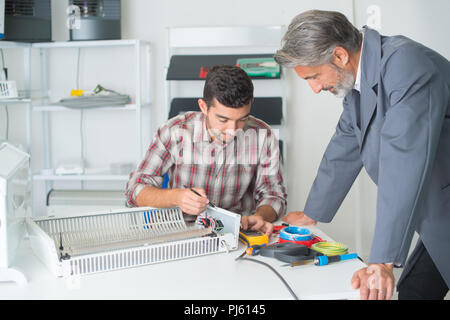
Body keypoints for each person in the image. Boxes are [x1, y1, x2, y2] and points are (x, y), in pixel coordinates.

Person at [275, 10, 450, 300]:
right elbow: (346, 143)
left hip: (441, 202)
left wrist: (381, 260)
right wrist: (312, 213)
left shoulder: (406, 66)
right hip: (437, 207)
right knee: (414, 292)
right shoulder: (360, 79)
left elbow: (403, 161)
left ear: (340, 55)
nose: (315, 88)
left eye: (315, 76)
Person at [126, 65, 287, 235]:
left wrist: (261, 216)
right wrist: (176, 197)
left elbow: (274, 196)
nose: (233, 130)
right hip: (182, 232)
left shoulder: (264, 136)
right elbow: (135, 189)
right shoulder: (174, 131)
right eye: (222, 119)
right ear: (203, 107)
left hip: (237, 234)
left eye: (242, 119)